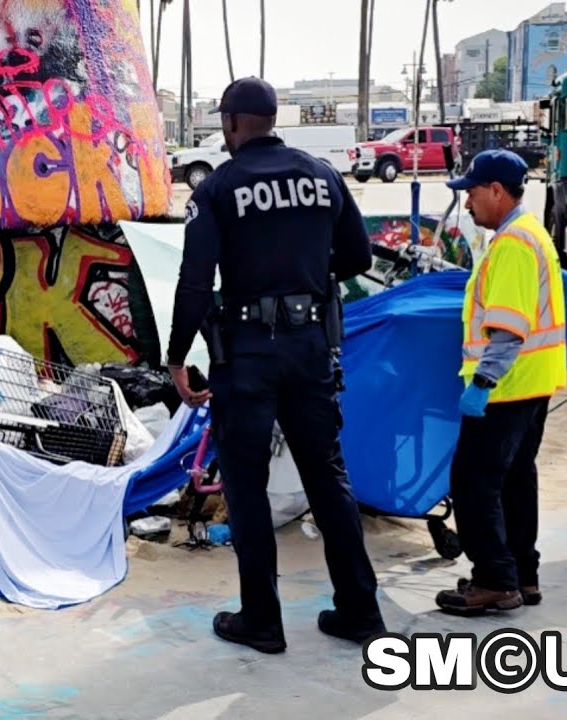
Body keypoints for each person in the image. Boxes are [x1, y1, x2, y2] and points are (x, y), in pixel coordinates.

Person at [165, 77, 385, 654]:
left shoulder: (218, 187)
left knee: (246, 484)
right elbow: (358, 256)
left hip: (248, 353)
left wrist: (176, 357)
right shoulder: (322, 174)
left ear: (234, 124)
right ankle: (361, 611)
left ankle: (262, 621)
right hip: (312, 346)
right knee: (327, 477)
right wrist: (307, 277)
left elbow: (194, 282)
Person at [435, 150, 567, 615]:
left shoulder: (512, 243)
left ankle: (493, 580)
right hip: (534, 384)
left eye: (471, 192)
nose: (467, 203)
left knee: (473, 483)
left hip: (505, 387)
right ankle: (522, 576)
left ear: (496, 190)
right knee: (514, 480)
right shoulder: (533, 234)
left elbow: (508, 328)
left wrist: (483, 382)